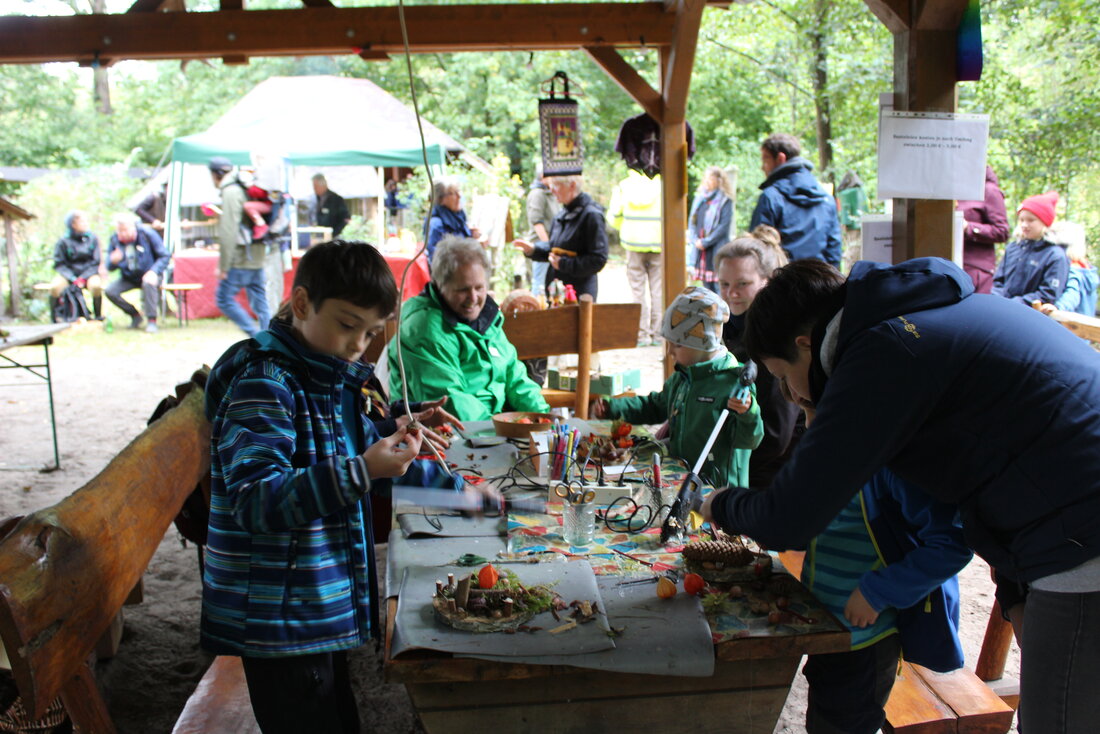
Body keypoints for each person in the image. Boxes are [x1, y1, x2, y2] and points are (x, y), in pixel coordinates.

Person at [703, 257, 1100, 733]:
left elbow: (788, 518)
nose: (789, 391)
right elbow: (992, 457)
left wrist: (716, 503)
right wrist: (1016, 587)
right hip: (1057, 523)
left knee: (1059, 716)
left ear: (804, 345)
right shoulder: (906, 321)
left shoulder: (880, 351)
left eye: (781, 373)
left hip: (1079, 532)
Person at [201, 240, 477, 734]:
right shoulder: (265, 384)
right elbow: (255, 500)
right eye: (348, 325)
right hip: (278, 616)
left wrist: (462, 492)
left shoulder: (327, 377)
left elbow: (377, 454)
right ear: (302, 303)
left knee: (336, 713)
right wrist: (363, 471)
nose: (358, 345)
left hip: (312, 603)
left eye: (370, 332)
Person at [789, 394, 971, 734]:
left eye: (816, 413)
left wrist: (877, 593)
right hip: (829, 628)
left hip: (868, 639)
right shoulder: (832, 456)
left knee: (845, 722)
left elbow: (952, 545)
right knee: (823, 716)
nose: (810, 425)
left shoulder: (890, 466)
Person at [590, 286, 763, 488]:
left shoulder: (734, 384)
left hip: (719, 490)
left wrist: (748, 413)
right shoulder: (683, 376)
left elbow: (750, 440)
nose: (670, 352)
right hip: (683, 481)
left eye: (677, 345)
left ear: (703, 343)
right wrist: (613, 407)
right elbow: (655, 406)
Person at [390, 235, 550, 422]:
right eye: (462, 290)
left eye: (479, 288)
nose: (473, 298)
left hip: (492, 427)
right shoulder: (423, 329)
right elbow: (448, 403)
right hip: (445, 431)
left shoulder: (487, 318)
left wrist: (542, 418)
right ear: (441, 286)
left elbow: (515, 377)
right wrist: (503, 428)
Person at [715, 225, 801, 488]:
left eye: (743, 284)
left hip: (774, 475)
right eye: (724, 284)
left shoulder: (776, 339)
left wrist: (722, 466)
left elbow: (776, 436)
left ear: (767, 281)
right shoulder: (726, 328)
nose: (731, 293)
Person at [749, 133, 842, 268]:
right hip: (819, 277)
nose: (762, 167)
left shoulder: (771, 197)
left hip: (782, 278)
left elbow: (757, 250)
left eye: (765, 159)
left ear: (780, 158)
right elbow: (834, 253)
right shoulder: (826, 199)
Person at [514, 175, 608, 300]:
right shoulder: (562, 213)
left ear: (572, 186)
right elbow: (555, 247)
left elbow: (598, 260)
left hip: (579, 295)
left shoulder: (591, 215)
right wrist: (534, 249)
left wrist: (563, 264)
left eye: (556, 185)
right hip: (557, 292)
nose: (552, 190)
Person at [210, 156, 271, 337]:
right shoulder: (246, 187)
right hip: (258, 255)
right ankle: (270, 339)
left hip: (241, 257)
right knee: (261, 302)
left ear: (215, 175)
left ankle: (257, 337)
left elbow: (229, 229)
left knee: (223, 299)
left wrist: (224, 265)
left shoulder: (231, 191)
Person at [607, 170, 663, 345]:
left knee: (637, 291)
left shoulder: (624, 186)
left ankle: (642, 334)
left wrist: (626, 227)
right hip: (658, 243)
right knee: (658, 289)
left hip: (632, 244)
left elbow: (614, 217)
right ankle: (658, 334)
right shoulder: (661, 185)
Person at [991, 190, 1068, 306]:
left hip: (1030, 313)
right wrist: (998, 301)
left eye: (1031, 220)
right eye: (1021, 220)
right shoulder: (1013, 248)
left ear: (1044, 221)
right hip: (1003, 308)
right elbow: (998, 281)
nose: (1024, 225)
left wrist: (1015, 304)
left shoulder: (1055, 255)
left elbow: (1048, 293)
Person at [104, 214, 169, 333]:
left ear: (133, 227)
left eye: (125, 230)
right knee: (110, 291)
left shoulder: (147, 234)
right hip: (129, 277)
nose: (122, 234)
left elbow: (164, 256)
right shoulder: (115, 240)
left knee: (148, 282)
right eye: (119, 231)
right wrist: (113, 261)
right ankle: (135, 315)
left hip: (150, 274)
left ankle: (152, 321)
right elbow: (109, 266)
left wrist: (154, 271)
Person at [956, 164, 1010, 294]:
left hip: (976, 270)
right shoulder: (953, 189)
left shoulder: (988, 190)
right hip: (953, 265)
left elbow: (1002, 231)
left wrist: (968, 227)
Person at [50, 210, 104, 320]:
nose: (85, 224)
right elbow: (59, 264)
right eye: (82, 222)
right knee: (55, 288)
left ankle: (97, 316)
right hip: (68, 274)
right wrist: (72, 278)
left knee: (96, 286)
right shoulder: (63, 241)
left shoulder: (92, 239)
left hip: (88, 274)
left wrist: (83, 278)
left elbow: (96, 262)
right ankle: (54, 318)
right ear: (73, 224)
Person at [689, 166, 734, 293]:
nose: (707, 181)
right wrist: (695, 240)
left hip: (716, 249)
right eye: (706, 178)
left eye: (710, 178)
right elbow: (692, 222)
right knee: (706, 289)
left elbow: (723, 226)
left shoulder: (725, 200)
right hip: (701, 251)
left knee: (719, 288)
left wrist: (706, 242)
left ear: (719, 181)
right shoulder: (700, 199)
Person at [1039, 221, 1097, 317]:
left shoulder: (1074, 268)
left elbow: (1073, 294)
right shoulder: (1085, 267)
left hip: (1073, 321)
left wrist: (1058, 307)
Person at [423, 177, 480, 264]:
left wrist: (473, 237)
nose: (459, 196)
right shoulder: (436, 224)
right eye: (453, 193)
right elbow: (437, 260)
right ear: (440, 199)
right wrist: (472, 249)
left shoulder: (458, 218)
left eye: (459, 191)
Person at [525, 163, 559, 297]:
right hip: (540, 245)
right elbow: (537, 223)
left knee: (549, 283)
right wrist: (547, 246)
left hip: (550, 245)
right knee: (538, 285)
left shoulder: (549, 193)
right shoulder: (537, 194)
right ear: (543, 176)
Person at [836, 171, 867, 272]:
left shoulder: (846, 193)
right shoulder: (861, 191)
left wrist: (843, 223)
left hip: (852, 228)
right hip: (861, 226)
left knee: (851, 249)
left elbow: (845, 210)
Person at [310, 173, 350, 237]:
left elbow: (346, 218)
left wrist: (334, 232)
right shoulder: (314, 199)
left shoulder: (336, 199)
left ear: (323, 185)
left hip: (333, 236)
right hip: (319, 236)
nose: (314, 189)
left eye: (315, 186)